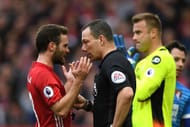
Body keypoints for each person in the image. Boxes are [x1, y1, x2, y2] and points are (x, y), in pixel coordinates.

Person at [26, 24, 92, 127]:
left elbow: (55, 103)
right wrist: (79, 81)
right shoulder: (43, 74)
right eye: (64, 46)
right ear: (52, 46)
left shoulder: (38, 71)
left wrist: (71, 82)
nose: (67, 50)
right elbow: (61, 110)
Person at [77, 19, 136, 127]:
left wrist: (115, 126)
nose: (83, 48)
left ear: (101, 39)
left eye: (86, 42)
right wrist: (87, 105)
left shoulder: (112, 62)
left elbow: (126, 93)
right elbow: (109, 108)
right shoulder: (109, 62)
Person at [131, 12, 176, 127]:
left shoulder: (162, 58)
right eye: (133, 33)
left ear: (153, 33)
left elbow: (142, 93)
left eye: (138, 32)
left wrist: (129, 72)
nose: (134, 38)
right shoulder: (140, 64)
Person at [166, 40, 190, 127]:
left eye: (183, 61)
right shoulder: (149, 86)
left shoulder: (186, 94)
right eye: (176, 59)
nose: (181, 64)